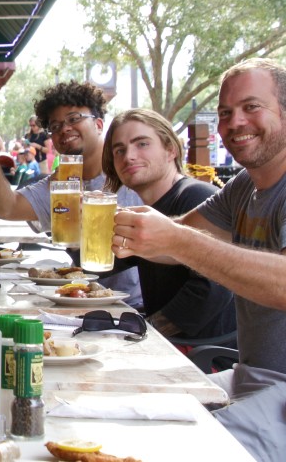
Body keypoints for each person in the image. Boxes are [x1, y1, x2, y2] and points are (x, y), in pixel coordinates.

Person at [111, 59, 286, 461]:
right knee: (123, 409)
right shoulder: (245, 185)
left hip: (279, 397)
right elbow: (179, 237)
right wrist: (128, 235)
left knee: (158, 451)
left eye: (251, 107)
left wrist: (176, 239)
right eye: (225, 112)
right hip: (249, 377)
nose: (235, 122)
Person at [0, 80, 142, 305]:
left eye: (74, 119)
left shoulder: (131, 174)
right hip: (77, 301)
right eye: (55, 126)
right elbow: (7, 207)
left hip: (132, 308)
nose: (64, 129)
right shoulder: (61, 184)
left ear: (98, 124)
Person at [102, 109, 236, 340]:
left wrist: (147, 330)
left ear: (170, 149)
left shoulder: (197, 198)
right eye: (119, 150)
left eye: (142, 144)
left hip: (203, 353)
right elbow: (107, 262)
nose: (129, 156)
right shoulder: (152, 210)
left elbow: (213, 287)